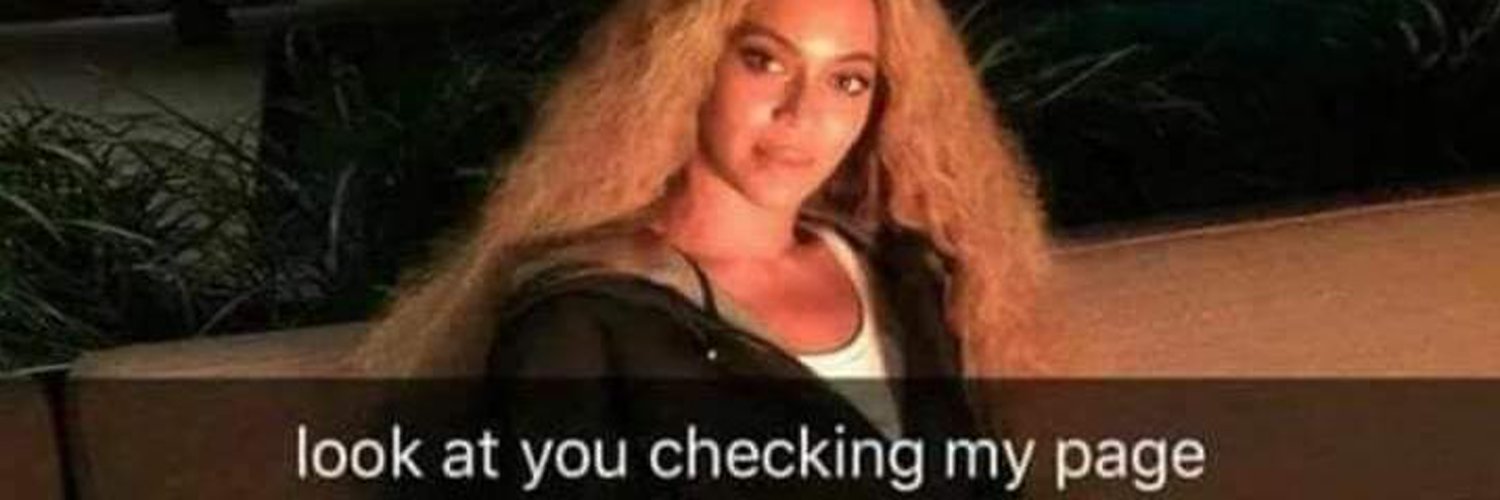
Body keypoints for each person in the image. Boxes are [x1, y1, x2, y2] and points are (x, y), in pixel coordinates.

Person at [356, 0, 1048, 496]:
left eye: (848, 80)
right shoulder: (581, 321)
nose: (804, 112)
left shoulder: (909, 274)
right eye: (764, 61)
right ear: (685, 68)